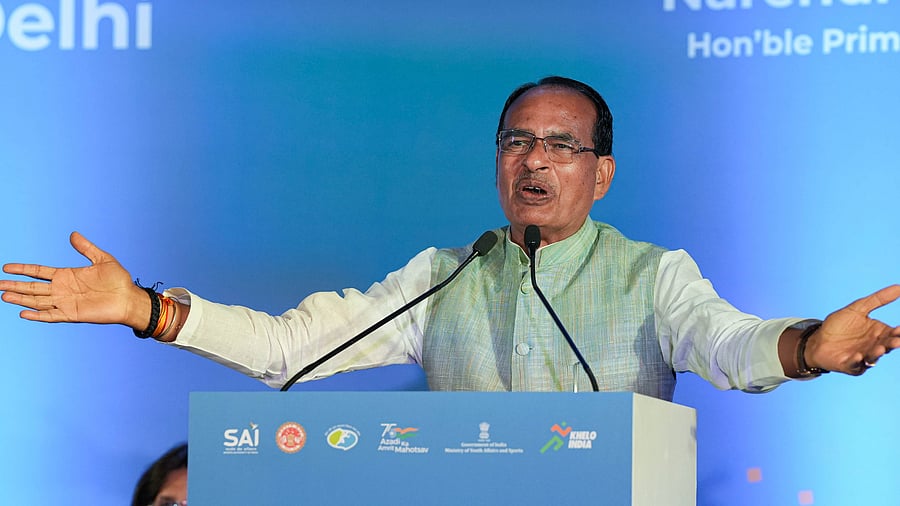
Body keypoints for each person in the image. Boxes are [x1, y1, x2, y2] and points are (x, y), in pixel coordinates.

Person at [1, 77, 898, 400]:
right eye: (515, 142)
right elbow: (288, 351)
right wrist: (148, 310)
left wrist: (807, 346)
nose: (533, 161)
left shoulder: (653, 276)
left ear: (602, 171)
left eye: (560, 145)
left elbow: (727, 343)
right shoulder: (444, 276)